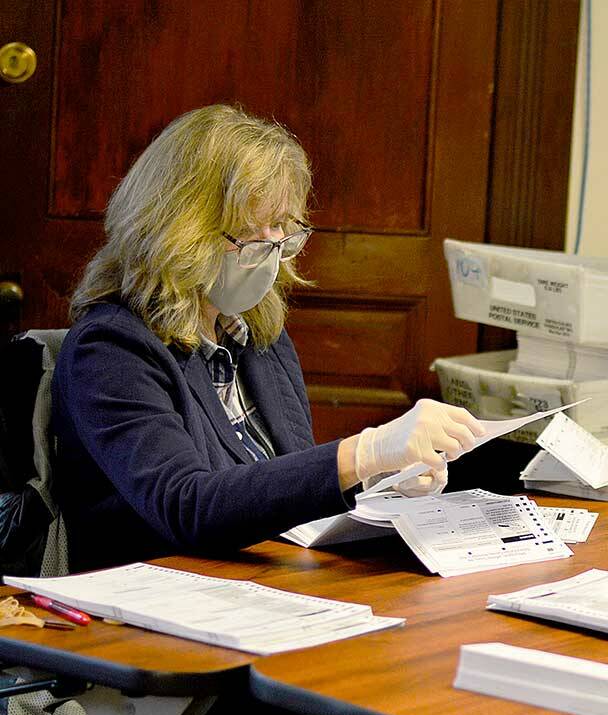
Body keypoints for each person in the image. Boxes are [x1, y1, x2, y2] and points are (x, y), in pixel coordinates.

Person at [53, 105, 484, 570]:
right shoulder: (110, 349)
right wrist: (366, 452)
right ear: (175, 230)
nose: (271, 248)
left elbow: (279, 488)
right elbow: (187, 506)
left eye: (281, 227)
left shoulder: (257, 332)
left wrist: (381, 479)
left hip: (262, 579)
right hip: (151, 597)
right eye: (247, 231)